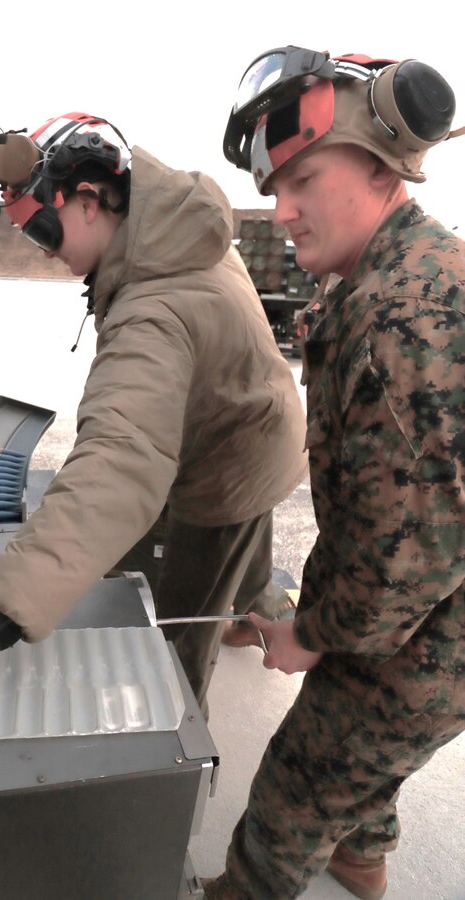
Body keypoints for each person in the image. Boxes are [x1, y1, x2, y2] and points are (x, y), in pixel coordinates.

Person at [0, 112, 307, 718]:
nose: (45, 252)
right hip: (254, 429)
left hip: (226, 469)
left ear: (86, 200)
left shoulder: (152, 308)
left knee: (174, 643)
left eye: (44, 231)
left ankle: (179, 757)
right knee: (247, 566)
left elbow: (120, 461)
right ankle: (261, 612)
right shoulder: (177, 233)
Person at [202, 47, 465, 899]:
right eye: (272, 187)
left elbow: (403, 561)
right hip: (426, 617)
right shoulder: (399, 275)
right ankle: (360, 852)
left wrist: (310, 637)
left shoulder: (403, 315)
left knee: (290, 797)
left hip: (431, 637)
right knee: (363, 756)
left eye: (302, 178)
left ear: (380, 163)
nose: (279, 211)